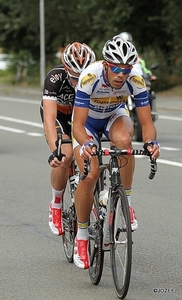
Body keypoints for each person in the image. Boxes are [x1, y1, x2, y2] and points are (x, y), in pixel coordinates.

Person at [72, 36, 160, 269]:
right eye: (117, 69)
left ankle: (125, 202)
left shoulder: (136, 81)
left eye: (126, 69)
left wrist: (151, 142)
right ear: (106, 65)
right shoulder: (90, 77)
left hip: (114, 116)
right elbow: (78, 126)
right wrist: (87, 145)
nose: (121, 74)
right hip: (87, 124)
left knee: (124, 143)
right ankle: (81, 237)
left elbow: (146, 122)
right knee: (90, 176)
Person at [40, 42, 96, 236]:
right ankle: (56, 203)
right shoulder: (54, 78)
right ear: (65, 69)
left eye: (83, 77)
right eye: (74, 78)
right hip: (60, 117)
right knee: (65, 156)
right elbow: (49, 117)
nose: (79, 81)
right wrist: (55, 147)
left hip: (82, 118)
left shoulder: (97, 76)